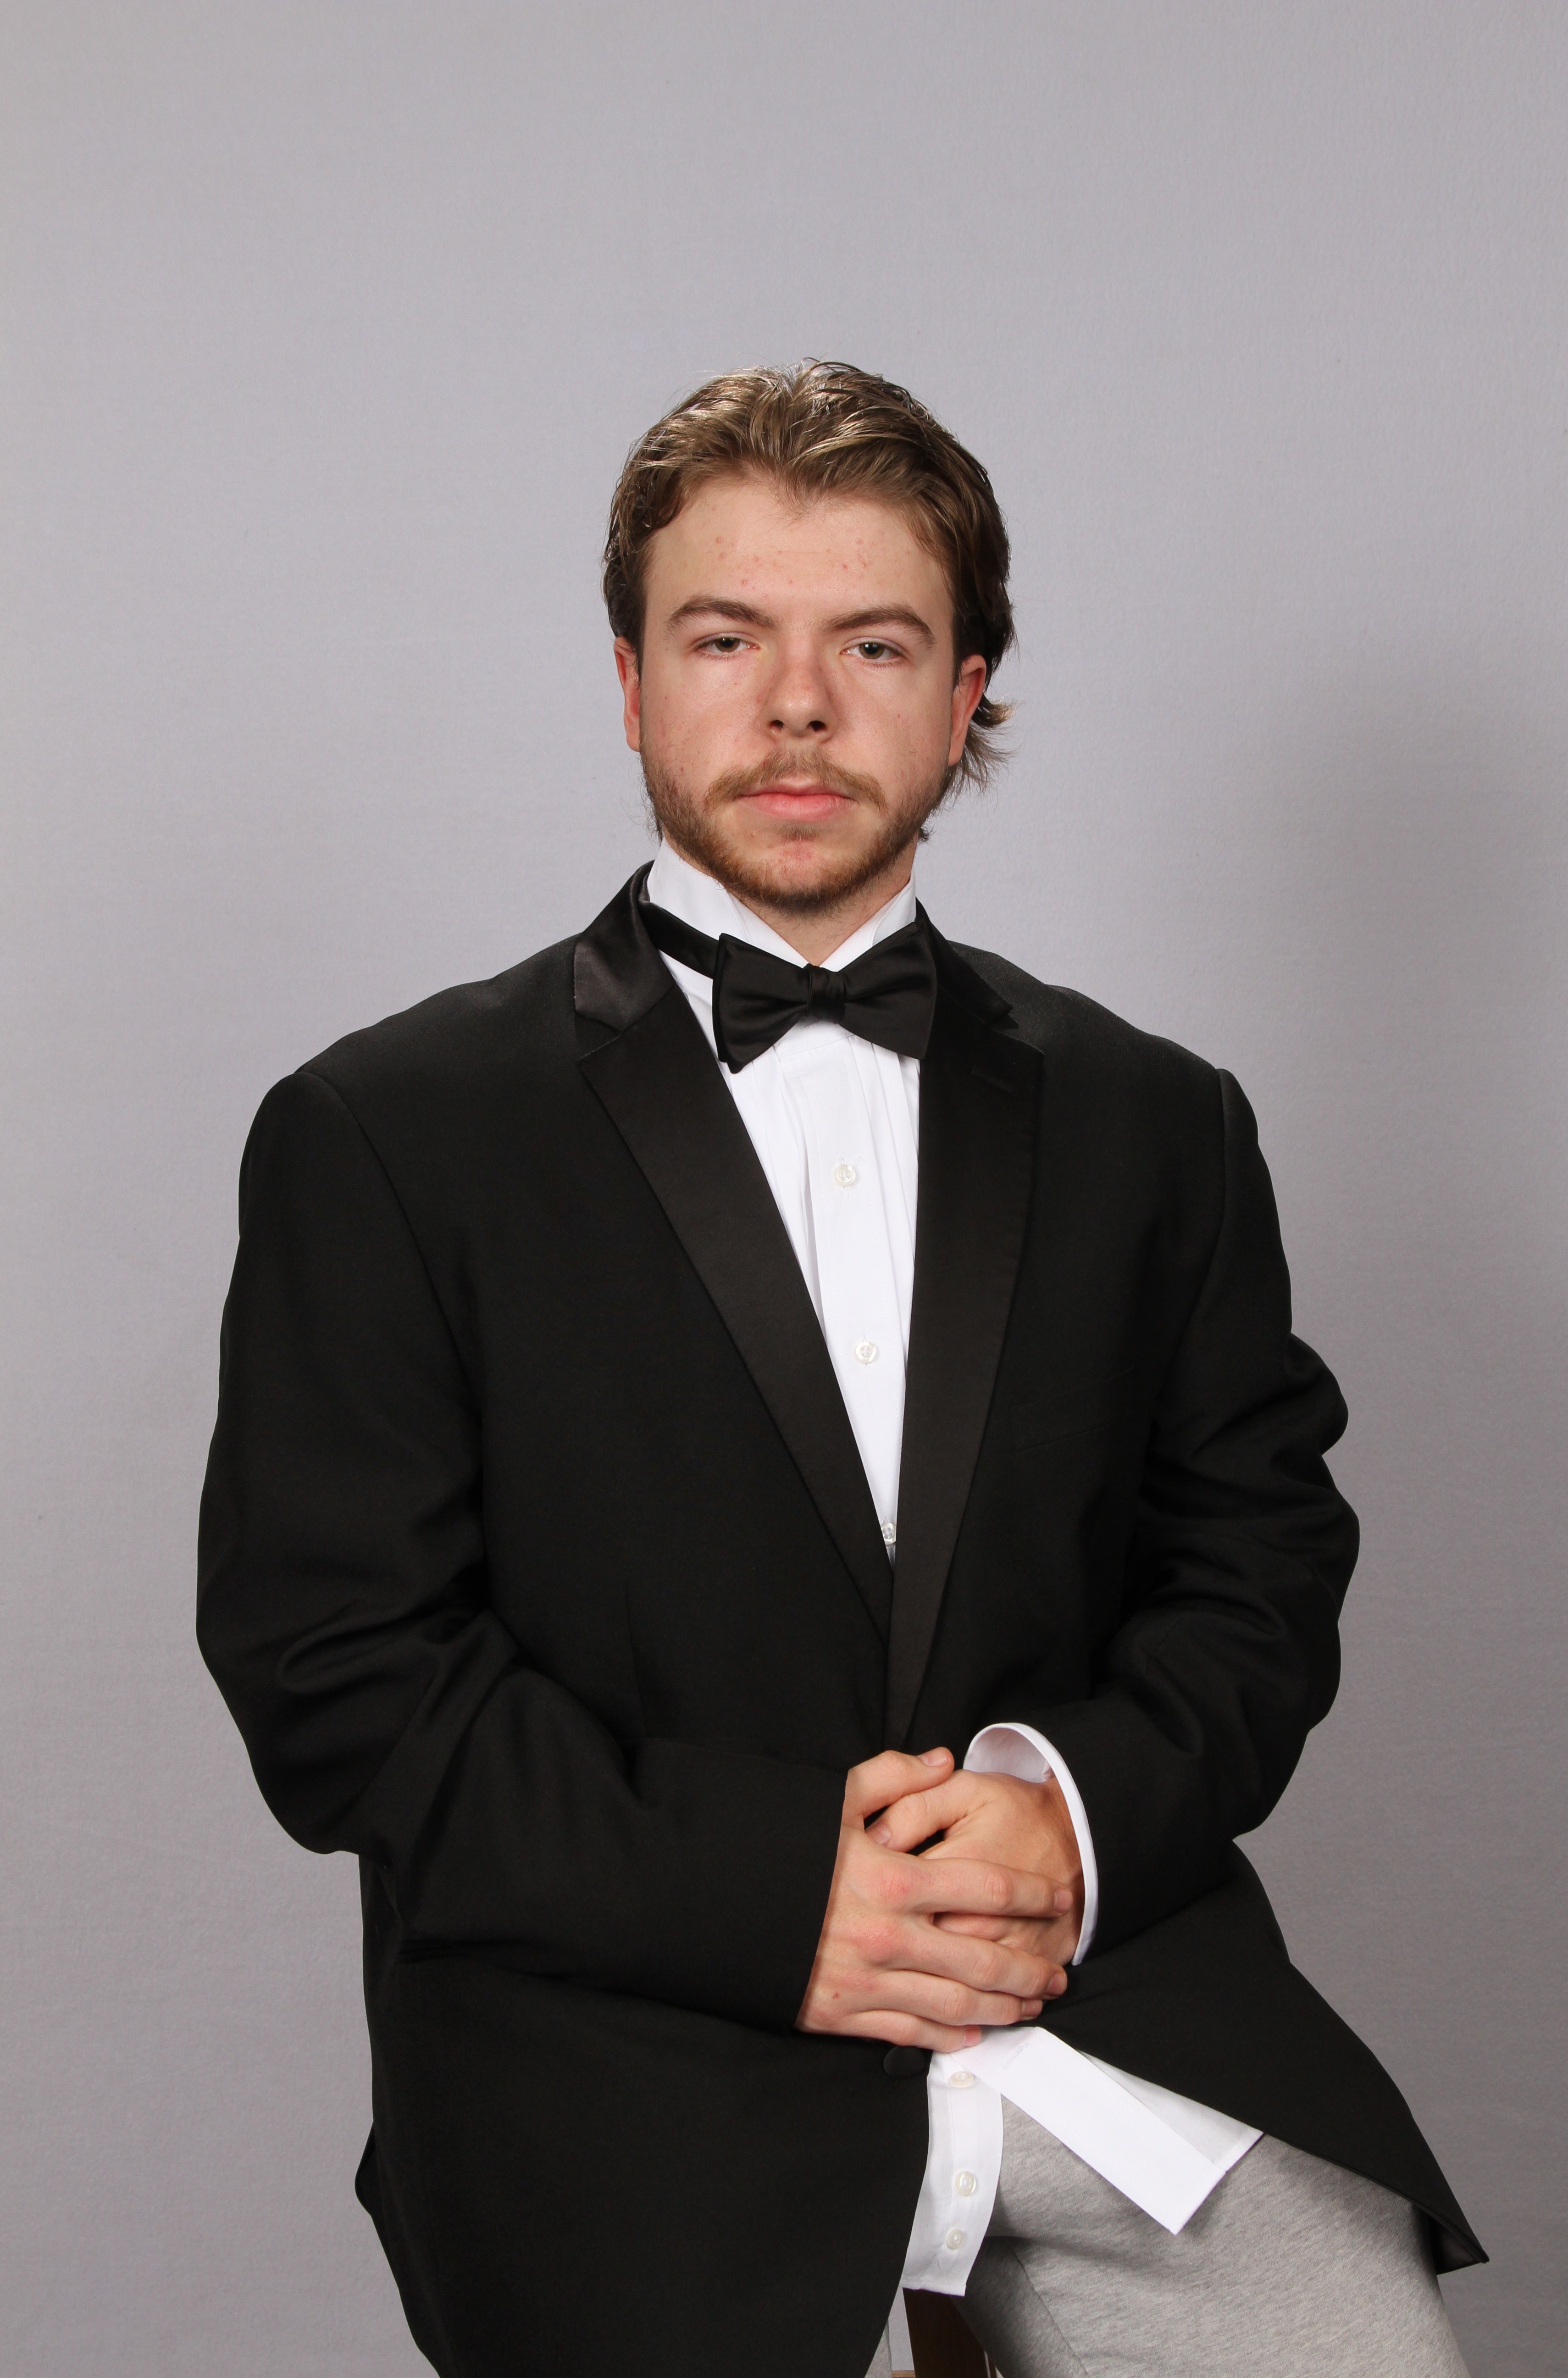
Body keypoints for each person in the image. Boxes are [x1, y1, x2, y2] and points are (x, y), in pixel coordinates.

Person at [198, 361, 1482, 2378]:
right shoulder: (385, 1132)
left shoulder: (1160, 1120)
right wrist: (773, 1892)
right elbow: (335, 1674)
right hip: (635, 2048)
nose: (797, 704)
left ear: (965, 696)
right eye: (727, 639)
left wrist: (1067, 1813)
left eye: (873, 645)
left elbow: (1260, 1565)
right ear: (633, 684)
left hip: (1094, 2008)